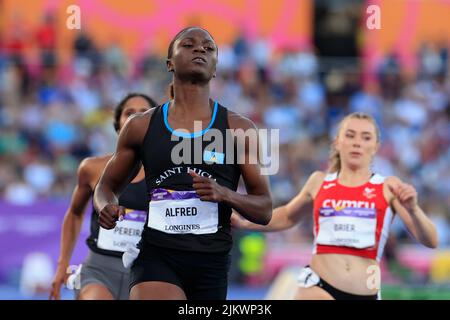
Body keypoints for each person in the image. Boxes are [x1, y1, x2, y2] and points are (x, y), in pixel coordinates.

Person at [93, 27, 272, 300]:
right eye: (188, 44)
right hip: (156, 255)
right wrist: (106, 205)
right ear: (169, 63)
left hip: (211, 262)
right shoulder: (140, 126)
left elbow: (265, 208)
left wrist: (225, 194)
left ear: (214, 69)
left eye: (209, 48)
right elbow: (106, 186)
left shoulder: (240, 128)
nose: (200, 49)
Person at [232, 112, 438, 300]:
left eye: (365, 137)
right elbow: (287, 215)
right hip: (318, 285)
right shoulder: (319, 181)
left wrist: (413, 209)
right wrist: (246, 223)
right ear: (338, 142)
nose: (357, 143)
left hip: (366, 291)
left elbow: (431, 240)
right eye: (350, 135)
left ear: (375, 146)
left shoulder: (388, 187)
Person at [49, 93, 158, 300]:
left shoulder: (166, 174)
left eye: (143, 113)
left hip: (147, 275)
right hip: (99, 271)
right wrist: (62, 266)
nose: (135, 118)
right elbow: (74, 214)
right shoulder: (92, 168)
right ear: (118, 123)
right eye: (129, 113)